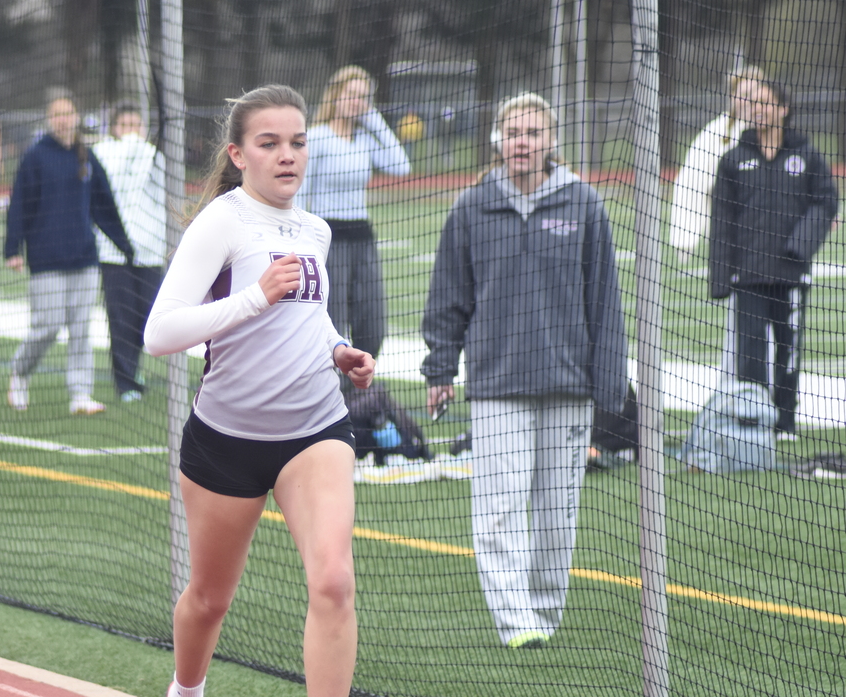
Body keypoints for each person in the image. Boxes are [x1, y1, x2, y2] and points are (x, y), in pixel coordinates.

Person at [144, 84, 377, 697]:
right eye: (270, 143)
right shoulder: (221, 222)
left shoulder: (315, 227)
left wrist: (339, 349)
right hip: (228, 440)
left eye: (297, 142)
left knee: (334, 578)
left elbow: (310, 314)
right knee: (209, 601)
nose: (287, 155)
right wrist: (253, 300)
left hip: (315, 427)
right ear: (238, 154)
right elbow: (161, 332)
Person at [421, 92, 627, 650]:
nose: (522, 142)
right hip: (497, 383)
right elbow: (448, 299)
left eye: (533, 133)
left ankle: (544, 613)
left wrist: (610, 384)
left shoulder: (584, 203)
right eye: (513, 132)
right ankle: (516, 623)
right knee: (499, 509)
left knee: (558, 514)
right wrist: (441, 367)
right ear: (497, 139)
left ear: (551, 140)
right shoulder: (472, 206)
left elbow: (605, 301)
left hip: (569, 385)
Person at [709, 77, 838, 441]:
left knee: (789, 349)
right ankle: (753, 422)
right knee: (749, 353)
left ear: (783, 109)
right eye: (754, 103)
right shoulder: (734, 159)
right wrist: (721, 278)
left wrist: (800, 247)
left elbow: (826, 201)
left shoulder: (806, 154)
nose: (758, 109)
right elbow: (722, 221)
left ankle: (784, 421)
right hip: (748, 275)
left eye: (766, 102)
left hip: (790, 274)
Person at [5, 92, 134, 415]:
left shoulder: (86, 157)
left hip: (84, 260)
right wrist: (13, 248)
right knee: (47, 326)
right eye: (57, 114)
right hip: (46, 259)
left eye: (68, 113)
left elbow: (104, 207)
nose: (63, 120)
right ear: (50, 120)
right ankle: (19, 373)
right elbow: (20, 204)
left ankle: (80, 395)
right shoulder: (35, 157)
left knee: (80, 329)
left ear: (76, 117)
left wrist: (124, 245)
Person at [297, 65, 411, 362]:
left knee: (371, 313)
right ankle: (335, 380)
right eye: (351, 95)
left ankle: (364, 374)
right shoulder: (318, 137)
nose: (356, 102)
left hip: (362, 234)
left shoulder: (364, 138)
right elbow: (300, 191)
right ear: (335, 96)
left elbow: (401, 166)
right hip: (328, 236)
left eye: (363, 97)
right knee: (334, 313)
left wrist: (374, 119)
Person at [670, 67, 766, 374]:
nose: (750, 101)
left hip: (775, 249)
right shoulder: (717, 135)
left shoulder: (777, 134)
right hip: (740, 248)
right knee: (740, 327)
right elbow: (691, 184)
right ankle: (735, 389)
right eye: (744, 94)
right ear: (733, 96)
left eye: (755, 94)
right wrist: (685, 238)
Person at [92, 100, 167, 403]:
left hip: (150, 250)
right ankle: (125, 381)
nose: (132, 133)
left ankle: (134, 367)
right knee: (120, 317)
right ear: (114, 129)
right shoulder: (102, 154)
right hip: (114, 253)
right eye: (125, 126)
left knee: (148, 317)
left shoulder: (155, 156)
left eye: (137, 126)